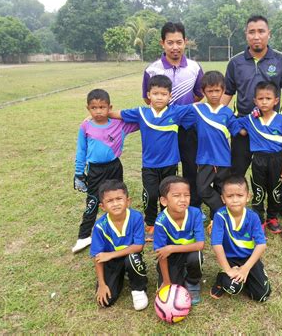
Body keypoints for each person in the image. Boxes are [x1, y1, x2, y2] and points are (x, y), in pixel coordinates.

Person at [109, 75, 194, 241]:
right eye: (156, 93)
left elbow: (198, 109)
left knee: (168, 194)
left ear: (170, 96)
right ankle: (150, 223)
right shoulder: (141, 113)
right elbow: (118, 114)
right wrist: (101, 115)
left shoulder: (176, 112)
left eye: (163, 94)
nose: (159, 97)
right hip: (149, 165)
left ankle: (166, 221)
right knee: (151, 194)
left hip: (170, 163)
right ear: (149, 95)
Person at [221, 15, 282, 176]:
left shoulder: (280, 60)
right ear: (246, 35)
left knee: (274, 171)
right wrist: (214, 117)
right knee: (236, 171)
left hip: (272, 127)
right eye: (252, 32)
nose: (256, 36)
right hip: (244, 126)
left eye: (261, 31)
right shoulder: (235, 62)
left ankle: (274, 200)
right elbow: (227, 92)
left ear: (269, 33)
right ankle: (235, 199)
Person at [142, 21, 203, 209]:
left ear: (185, 42)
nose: (175, 47)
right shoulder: (152, 70)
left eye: (179, 42)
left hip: (188, 128)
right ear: (162, 43)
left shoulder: (194, 68)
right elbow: (147, 98)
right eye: (170, 42)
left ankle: (193, 206)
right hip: (162, 129)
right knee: (164, 168)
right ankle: (167, 203)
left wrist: (182, 113)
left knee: (191, 167)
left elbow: (199, 95)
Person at [72, 89, 138, 253]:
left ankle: (123, 230)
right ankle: (84, 235)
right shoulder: (86, 126)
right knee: (93, 200)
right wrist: (79, 172)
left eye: (102, 107)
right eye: (94, 108)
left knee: (118, 198)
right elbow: (81, 150)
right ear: (88, 108)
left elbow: (142, 118)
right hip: (95, 170)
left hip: (114, 167)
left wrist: (116, 115)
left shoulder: (119, 124)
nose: (98, 111)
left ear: (110, 107)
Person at [236, 81, 282, 233]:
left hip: (277, 160)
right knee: (258, 190)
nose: (264, 102)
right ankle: (258, 219)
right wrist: (242, 131)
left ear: (276, 101)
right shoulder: (250, 119)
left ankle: (272, 217)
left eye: (268, 98)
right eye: (260, 99)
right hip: (258, 159)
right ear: (255, 101)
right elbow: (234, 124)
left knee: (275, 190)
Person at [210, 175, 271, 302]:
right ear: (223, 198)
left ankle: (245, 277)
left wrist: (245, 269)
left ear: (248, 197)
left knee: (262, 295)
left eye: (239, 195)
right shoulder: (220, 216)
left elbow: (261, 245)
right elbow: (217, 244)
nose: (235, 200)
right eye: (230, 196)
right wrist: (228, 270)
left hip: (248, 258)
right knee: (233, 287)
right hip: (230, 259)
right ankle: (222, 278)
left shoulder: (253, 217)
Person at [90, 180, 148, 311]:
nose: (115, 204)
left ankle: (138, 289)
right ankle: (119, 275)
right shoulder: (100, 226)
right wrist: (102, 284)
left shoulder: (136, 217)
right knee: (106, 302)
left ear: (128, 201)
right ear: (102, 206)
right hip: (111, 262)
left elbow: (138, 246)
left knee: (133, 258)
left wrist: (110, 254)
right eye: (110, 201)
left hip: (130, 256)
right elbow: (98, 257)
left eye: (119, 199)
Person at [191, 70, 240, 222]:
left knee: (221, 188)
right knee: (202, 188)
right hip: (204, 158)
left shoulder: (227, 113)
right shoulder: (197, 110)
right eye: (209, 91)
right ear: (203, 91)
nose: (213, 94)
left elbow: (240, 131)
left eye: (217, 90)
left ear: (223, 90)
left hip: (223, 159)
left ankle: (215, 219)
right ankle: (223, 211)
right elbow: (175, 115)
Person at [153, 176, 205, 305]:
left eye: (186, 195)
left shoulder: (195, 213)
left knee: (196, 257)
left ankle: (193, 282)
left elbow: (200, 245)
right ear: (164, 201)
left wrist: (171, 248)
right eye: (176, 196)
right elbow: (161, 254)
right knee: (173, 286)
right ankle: (178, 273)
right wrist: (166, 281)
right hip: (170, 258)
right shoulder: (160, 222)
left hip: (188, 253)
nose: (183, 200)